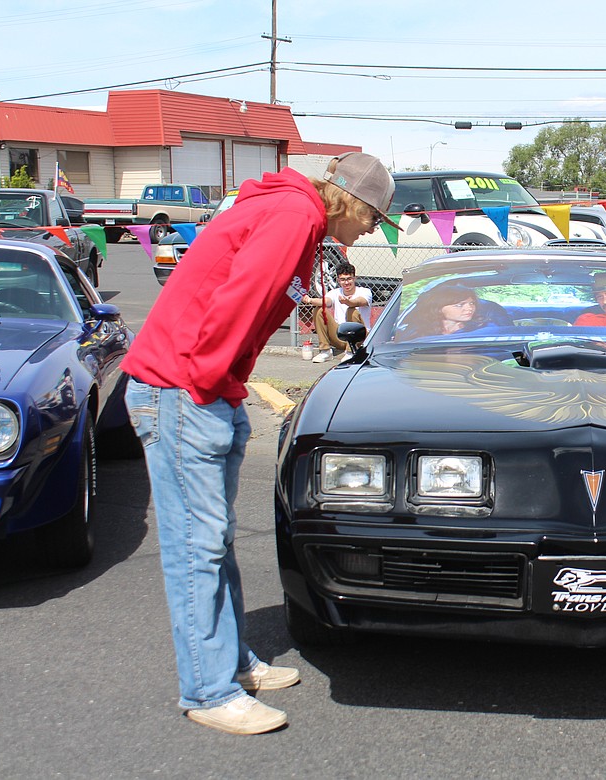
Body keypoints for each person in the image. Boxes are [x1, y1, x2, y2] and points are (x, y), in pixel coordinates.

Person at [122, 152, 399, 735]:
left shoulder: (292, 213)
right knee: (196, 546)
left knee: (215, 538)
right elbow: (236, 304)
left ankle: (230, 662)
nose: (374, 230)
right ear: (354, 202)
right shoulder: (293, 215)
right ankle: (208, 689)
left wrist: (223, 387)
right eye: (375, 217)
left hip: (199, 386)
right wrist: (208, 386)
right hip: (183, 389)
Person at [302, 261, 372, 362]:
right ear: (338, 280)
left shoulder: (365, 291)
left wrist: (348, 302)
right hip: (340, 337)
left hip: (360, 337)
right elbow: (326, 301)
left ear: (354, 278)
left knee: (351, 310)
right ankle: (325, 351)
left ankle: (350, 352)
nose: (346, 283)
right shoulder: (335, 292)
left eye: (349, 279)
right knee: (319, 309)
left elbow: (361, 301)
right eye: (343, 280)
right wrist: (310, 300)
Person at [397, 282, 512, 340]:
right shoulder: (417, 332)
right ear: (439, 308)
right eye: (460, 305)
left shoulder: (487, 327)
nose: (470, 308)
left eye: (472, 303)